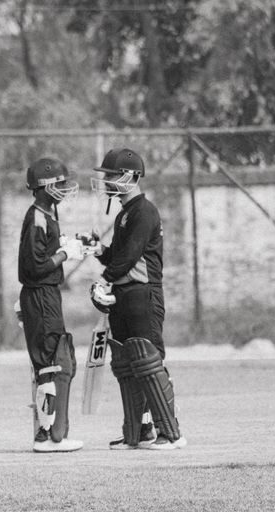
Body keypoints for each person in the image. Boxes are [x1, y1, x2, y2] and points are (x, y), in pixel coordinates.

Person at [88, 147, 187, 451]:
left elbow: (131, 258)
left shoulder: (145, 211)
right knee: (128, 365)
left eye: (113, 175)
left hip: (143, 294)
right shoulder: (125, 213)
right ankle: (140, 431)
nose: (107, 181)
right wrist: (99, 250)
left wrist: (104, 279)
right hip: (124, 295)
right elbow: (119, 257)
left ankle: (171, 433)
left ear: (131, 176)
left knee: (149, 361)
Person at [17, 157, 84, 453]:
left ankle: (53, 432)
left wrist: (65, 245)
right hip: (41, 294)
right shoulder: (37, 218)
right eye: (58, 183)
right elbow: (34, 267)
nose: (64, 188)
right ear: (43, 186)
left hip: (46, 295)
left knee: (54, 357)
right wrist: (65, 255)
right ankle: (45, 435)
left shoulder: (47, 214)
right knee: (49, 362)